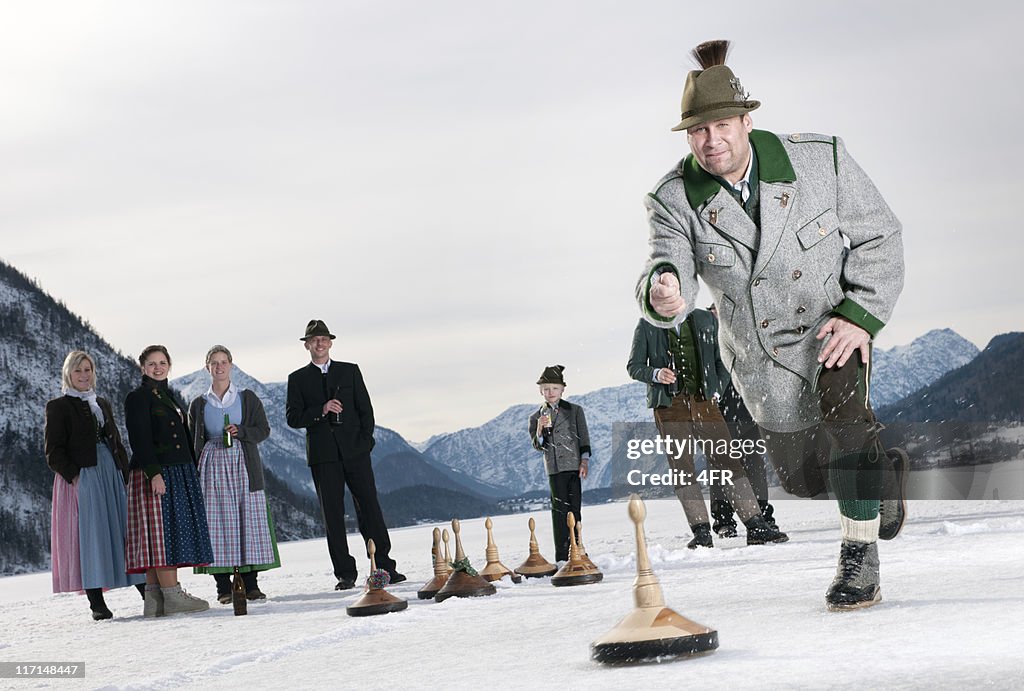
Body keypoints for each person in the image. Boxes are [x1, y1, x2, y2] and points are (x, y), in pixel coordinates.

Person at [636, 40, 907, 610]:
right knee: (806, 479)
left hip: (832, 328)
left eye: (721, 125)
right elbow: (668, 265)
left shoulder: (820, 159)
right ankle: (883, 476)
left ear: (746, 119)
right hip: (759, 357)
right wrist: (664, 291)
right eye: (697, 131)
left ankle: (859, 562)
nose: (711, 141)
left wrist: (860, 316)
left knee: (847, 421)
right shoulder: (672, 198)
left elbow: (880, 234)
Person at [626, 313, 788, 548]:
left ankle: (756, 526)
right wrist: (655, 374)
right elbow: (634, 366)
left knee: (728, 461)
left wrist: (717, 390)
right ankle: (701, 532)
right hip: (669, 406)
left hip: (704, 402)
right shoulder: (646, 325)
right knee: (683, 467)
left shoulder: (705, 320)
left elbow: (721, 359)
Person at [286, 319, 404, 590]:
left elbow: (366, 410)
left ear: (330, 343)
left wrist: (364, 444)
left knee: (370, 508)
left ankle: (385, 566)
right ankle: (345, 574)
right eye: (314, 339)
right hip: (323, 457)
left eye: (324, 339)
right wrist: (321, 409)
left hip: (356, 453)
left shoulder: (350, 371)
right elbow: (293, 418)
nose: (319, 343)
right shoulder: (298, 379)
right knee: (333, 516)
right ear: (306, 345)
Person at [44, 351, 145, 620]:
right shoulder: (59, 406)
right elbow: (53, 450)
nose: (84, 375)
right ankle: (96, 602)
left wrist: (123, 471)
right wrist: (74, 476)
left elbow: (116, 441)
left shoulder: (101, 402)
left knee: (123, 531)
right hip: (83, 475)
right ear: (68, 374)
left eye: (88, 369)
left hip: (110, 473)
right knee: (90, 536)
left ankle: (147, 591)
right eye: (78, 370)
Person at [124, 345, 213, 616]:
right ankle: (173, 595)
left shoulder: (167, 395)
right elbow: (139, 438)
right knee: (163, 535)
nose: (158, 367)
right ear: (142, 367)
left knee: (157, 535)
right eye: (152, 363)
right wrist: (155, 473)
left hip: (177, 471)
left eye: (162, 362)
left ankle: (154, 599)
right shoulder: (138, 397)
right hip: (159, 472)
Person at [188, 345, 280, 604]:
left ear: (231, 365)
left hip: (243, 463)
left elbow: (263, 430)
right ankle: (223, 586)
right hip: (212, 465)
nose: (219, 367)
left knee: (246, 520)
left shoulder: (247, 398)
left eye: (223, 362)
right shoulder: (199, 404)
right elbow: (194, 440)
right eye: (214, 363)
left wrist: (242, 431)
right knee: (217, 524)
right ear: (207, 367)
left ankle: (251, 584)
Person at [706, 303, 779, 538]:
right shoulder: (706, 334)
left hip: (748, 404)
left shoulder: (747, 331)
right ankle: (723, 520)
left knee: (754, 462)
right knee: (720, 465)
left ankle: (763, 515)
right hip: (717, 405)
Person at [527, 365, 591, 563]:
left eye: (554, 388)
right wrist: (539, 430)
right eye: (546, 389)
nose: (550, 393)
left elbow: (584, 437)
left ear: (562, 389)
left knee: (575, 508)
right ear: (540, 392)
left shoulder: (574, 411)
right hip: (554, 469)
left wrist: (584, 460)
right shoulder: (536, 417)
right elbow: (538, 446)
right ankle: (562, 556)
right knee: (559, 511)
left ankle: (578, 548)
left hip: (573, 465)